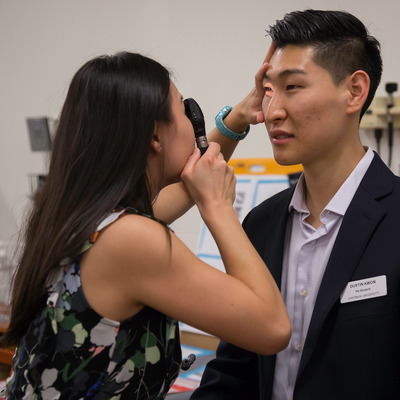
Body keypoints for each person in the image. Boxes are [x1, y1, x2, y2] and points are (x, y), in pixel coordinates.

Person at [0, 51, 290, 399]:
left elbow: (187, 185)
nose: (191, 121)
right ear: (155, 135)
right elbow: (271, 328)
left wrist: (239, 118)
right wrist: (217, 206)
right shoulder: (132, 238)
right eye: (184, 110)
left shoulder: (87, 217)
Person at [191, 9, 400, 400]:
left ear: (354, 91)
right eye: (268, 90)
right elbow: (235, 366)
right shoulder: (262, 222)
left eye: (292, 87)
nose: (272, 112)